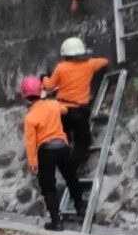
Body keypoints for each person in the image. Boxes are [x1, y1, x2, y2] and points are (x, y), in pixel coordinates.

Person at [21, 76, 84, 231]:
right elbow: (64, 110)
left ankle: (56, 221)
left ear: (25, 96)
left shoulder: (30, 118)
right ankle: (80, 207)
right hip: (62, 147)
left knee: (48, 186)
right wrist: (49, 98)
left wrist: (33, 163)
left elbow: (31, 142)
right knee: (71, 177)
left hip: (46, 151)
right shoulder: (54, 104)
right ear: (41, 90)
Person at [42, 37, 109, 169]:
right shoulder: (90, 64)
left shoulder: (61, 68)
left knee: (63, 134)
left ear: (65, 54)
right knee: (82, 141)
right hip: (80, 110)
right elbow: (105, 61)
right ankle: (73, 166)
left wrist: (44, 77)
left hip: (62, 109)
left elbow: (49, 86)